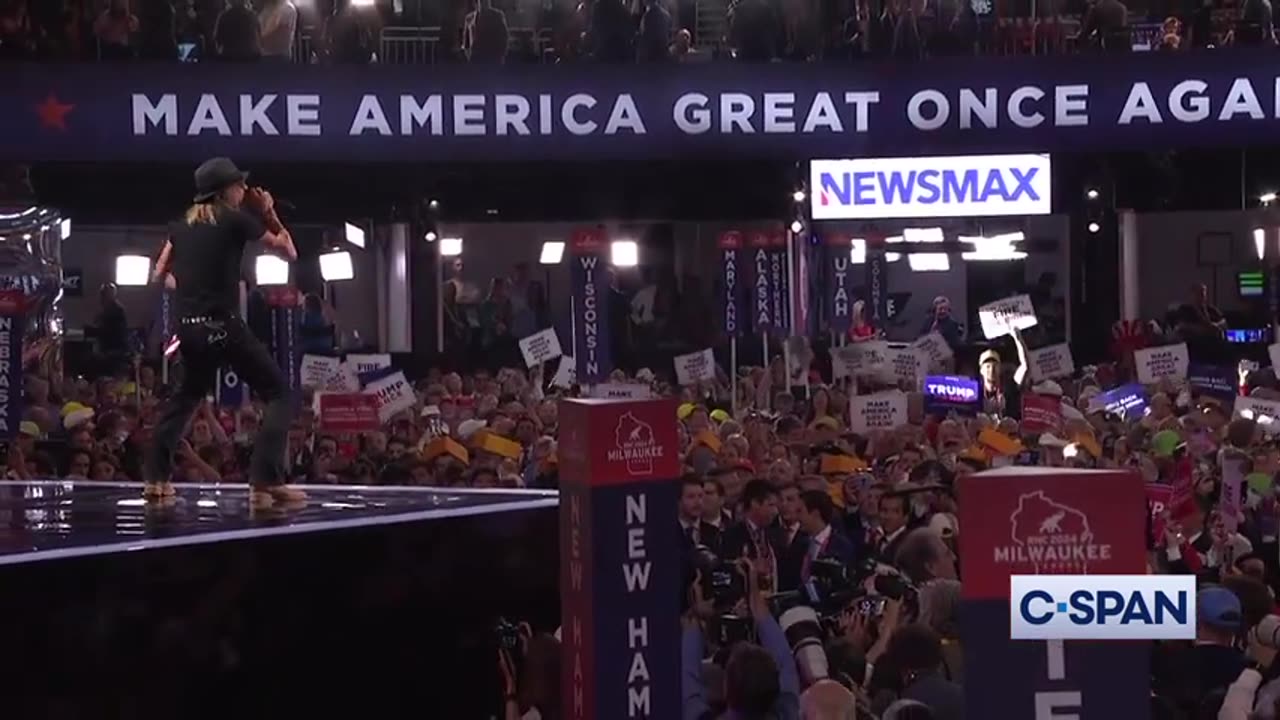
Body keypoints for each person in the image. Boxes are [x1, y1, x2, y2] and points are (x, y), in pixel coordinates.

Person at [145, 157, 302, 508]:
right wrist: (269, 211)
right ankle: (264, 484)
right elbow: (289, 251)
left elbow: (159, 274)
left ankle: (155, 481)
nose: (245, 190)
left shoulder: (180, 225)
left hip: (189, 329)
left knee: (184, 400)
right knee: (279, 393)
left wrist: (186, 285)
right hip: (223, 326)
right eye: (240, 186)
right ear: (226, 190)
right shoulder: (235, 220)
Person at [797, 489, 857, 583]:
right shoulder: (800, 543)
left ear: (815, 514)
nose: (797, 517)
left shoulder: (841, 545)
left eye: (800, 511)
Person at [978, 329, 1028, 420]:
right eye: (988, 366)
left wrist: (1018, 339)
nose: (992, 369)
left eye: (995, 366)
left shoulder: (1009, 386)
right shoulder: (974, 391)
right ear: (981, 370)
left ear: (1000, 368)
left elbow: (1025, 366)